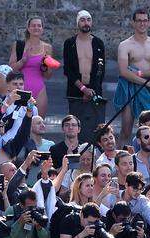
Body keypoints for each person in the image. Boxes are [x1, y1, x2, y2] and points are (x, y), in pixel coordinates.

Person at [115, 10, 150, 141]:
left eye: (144, 20)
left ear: (149, 22)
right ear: (133, 23)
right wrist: (145, 81)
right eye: (139, 20)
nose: (142, 23)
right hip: (129, 88)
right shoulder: (125, 45)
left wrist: (139, 73)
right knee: (126, 129)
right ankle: (122, 159)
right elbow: (124, 72)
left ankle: (149, 159)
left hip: (148, 90)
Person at [62, 11, 106, 147]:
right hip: (76, 91)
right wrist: (83, 88)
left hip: (94, 91)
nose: (86, 23)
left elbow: (100, 69)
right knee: (74, 127)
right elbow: (68, 70)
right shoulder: (70, 43)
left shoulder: (98, 43)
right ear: (77, 23)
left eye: (88, 20)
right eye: (82, 20)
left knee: (96, 129)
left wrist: (91, 90)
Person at [9, 17, 53, 117]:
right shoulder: (19, 45)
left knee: (38, 123)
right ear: (28, 28)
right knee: (18, 125)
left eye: (39, 25)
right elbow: (11, 69)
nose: (36, 28)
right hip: (20, 89)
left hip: (40, 90)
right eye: (33, 25)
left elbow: (48, 76)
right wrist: (23, 60)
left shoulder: (47, 48)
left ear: (42, 29)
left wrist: (45, 66)